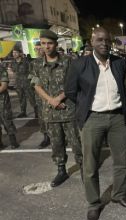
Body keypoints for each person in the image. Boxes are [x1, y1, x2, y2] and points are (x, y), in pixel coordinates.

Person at [65, 27, 126, 220]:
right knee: (90, 164)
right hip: (92, 119)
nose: (104, 43)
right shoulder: (80, 64)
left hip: (117, 119)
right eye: (100, 40)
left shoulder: (119, 63)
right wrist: (86, 107)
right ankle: (94, 203)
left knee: (121, 161)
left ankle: (119, 194)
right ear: (92, 41)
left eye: (107, 40)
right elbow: (70, 91)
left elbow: (124, 86)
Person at [30, 30, 83, 188]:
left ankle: (83, 167)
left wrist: (59, 99)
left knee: (76, 143)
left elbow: (74, 83)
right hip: (51, 112)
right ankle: (61, 170)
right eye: (43, 43)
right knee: (56, 143)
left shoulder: (68, 61)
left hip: (68, 109)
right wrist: (51, 101)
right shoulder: (37, 63)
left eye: (50, 43)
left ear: (56, 44)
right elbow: (36, 85)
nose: (46, 46)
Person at [29, 41, 51, 148]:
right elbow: (33, 81)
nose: (38, 51)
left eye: (39, 48)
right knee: (42, 118)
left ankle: (61, 138)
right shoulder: (34, 64)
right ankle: (46, 138)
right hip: (40, 96)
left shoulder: (52, 60)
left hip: (53, 95)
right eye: (36, 49)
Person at [9, 47, 38, 118]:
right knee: (21, 98)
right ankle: (23, 112)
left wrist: (32, 82)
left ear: (20, 53)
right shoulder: (13, 63)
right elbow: (13, 72)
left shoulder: (26, 61)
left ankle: (37, 112)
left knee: (32, 98)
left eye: (16, 52)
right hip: (18, 83)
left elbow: (32, 71)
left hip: (27, 83)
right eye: (13, 53)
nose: (14, 54)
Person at [0, 62, 20, 149]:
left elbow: (4, 86)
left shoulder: (1, 69)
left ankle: (13, 142)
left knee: (7, 121)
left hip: (2, 100)